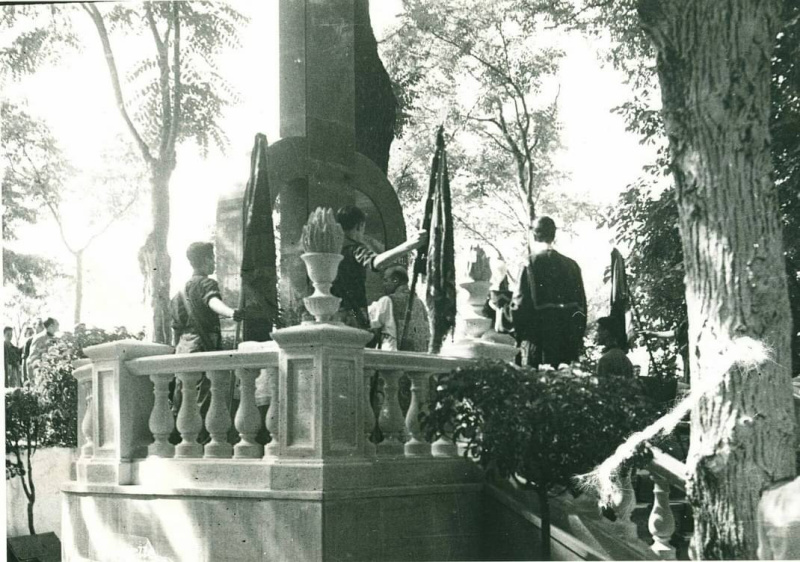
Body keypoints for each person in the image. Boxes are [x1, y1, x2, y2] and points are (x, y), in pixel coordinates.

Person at [492, 216, 587, 368]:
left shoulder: (529, 264)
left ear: (534, 235)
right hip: (567, 347)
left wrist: (501, 308)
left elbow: (519, 308)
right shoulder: (572, 266)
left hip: (539, 346)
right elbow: (581, 310)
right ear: (554, 235)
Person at [170, 242, 243, 431]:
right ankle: (201, 438)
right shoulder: (206, 283)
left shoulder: (180, 291)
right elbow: (212, 301)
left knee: (183, 396)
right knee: (204, 396)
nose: (214, 263)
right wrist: (231, 313)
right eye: (212, 258)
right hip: (203, 345)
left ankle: (180, 436)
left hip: (183, 348)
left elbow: (176, 327)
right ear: (204, 260)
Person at [331, 205, 427, 330]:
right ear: (360, 226)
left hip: (332, 313)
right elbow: (376, 262)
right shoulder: (355, 248)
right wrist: (409, 245)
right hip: (353, 313)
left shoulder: (332, 249)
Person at [368, 265, 430, 352]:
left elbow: (369, 321)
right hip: (418, 355)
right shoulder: (420, 303)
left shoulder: (388, 301)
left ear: (395, 280)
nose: (383, 284)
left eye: (386, 280)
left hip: (393, 354)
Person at [26, 317, 59, 382]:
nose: (58, 325)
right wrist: (32, 378)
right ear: (51, 326)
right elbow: (32, 358)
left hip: (53, 374)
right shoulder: (39, 338)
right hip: (41, 375)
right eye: (57, 324)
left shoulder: (56, 339)